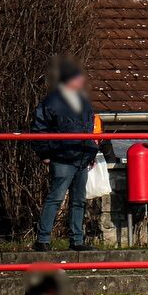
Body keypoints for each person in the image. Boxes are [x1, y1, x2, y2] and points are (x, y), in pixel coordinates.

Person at [30, 59, 116, 252]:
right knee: (56, 198)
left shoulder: (83, 102)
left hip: (81, 157)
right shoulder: (51, 103)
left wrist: (91, 152)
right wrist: (44, 153)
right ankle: (43, 240)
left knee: (79, 200)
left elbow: (89, 129)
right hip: (62, 157)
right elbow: (39, 129)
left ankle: (76, 240)